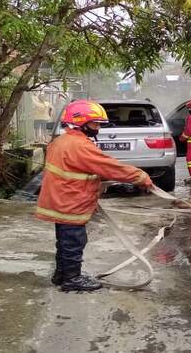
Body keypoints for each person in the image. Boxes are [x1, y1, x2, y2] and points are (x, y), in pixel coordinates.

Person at [36, 99, 153, 292]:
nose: (98, 128)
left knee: (64, 241)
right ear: (81, 122)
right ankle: (72, 279)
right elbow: (109, 166)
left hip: (61, 200)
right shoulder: (80, 145)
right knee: (74, 241)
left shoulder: (61, 141)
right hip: (70, 202)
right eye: (95, 123)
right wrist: (140, 177)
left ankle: (62, 275)